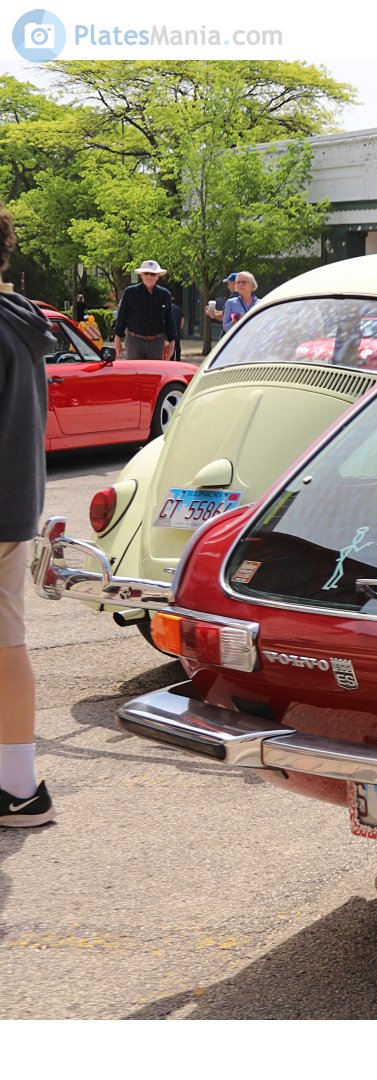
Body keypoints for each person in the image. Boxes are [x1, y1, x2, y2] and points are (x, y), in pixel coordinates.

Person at [0, 199, 58, 826]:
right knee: (6, 645)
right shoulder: (19, 320)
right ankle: (16, 784)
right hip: (13, 506)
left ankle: (18, 788)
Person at [113, 259, 176, 361]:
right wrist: (117, 338)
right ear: (141, 274)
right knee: (134, 373)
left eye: (152, 274)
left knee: (155, 374)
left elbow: (169, 319)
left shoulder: (165, 294)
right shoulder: (130, 292)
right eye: (146, 273)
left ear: (158, 275)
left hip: (156, 342)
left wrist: (172, 342)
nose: (149, 276)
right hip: (134, 341)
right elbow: (122, 316)